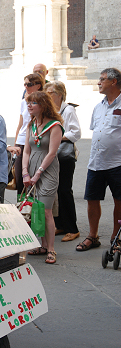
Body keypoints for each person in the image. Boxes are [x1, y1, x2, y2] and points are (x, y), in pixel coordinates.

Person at [77, 68, 121, 251]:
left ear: (114, 82)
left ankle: (117, 237)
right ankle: (92, 236)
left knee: (119, 201)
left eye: (102, 79)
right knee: (92, 199)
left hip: (117, 162)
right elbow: (97, 131)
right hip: (96, 161)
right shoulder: (98, 106)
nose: (98, 82)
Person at [23, 91, 64, 264]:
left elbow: (52, 152)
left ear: (43, 105)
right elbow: (26, 150)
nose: (29, 105)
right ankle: (43, 245)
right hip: (32, 169)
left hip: (47, 171)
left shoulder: (55, 126)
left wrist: (39, 172)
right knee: (37, 208)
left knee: (46, 210)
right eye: (28, 102)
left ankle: (52, 249)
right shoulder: (31, 124)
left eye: (33, 103)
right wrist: (25, 172)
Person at [44, 81, 81, 242]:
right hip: (52, 155)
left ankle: (72, 228)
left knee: (65, 190)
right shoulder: (50, 111)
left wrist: (58, 137)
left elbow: (76, 132)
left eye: (51, 92)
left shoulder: (68, 109)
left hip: (64, 156)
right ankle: (60, 225)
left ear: (60, 94)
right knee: (55, 191)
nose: (48, 95)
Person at [8, 73, 45, 194]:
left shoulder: (43, 102)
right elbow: (20, 124)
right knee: (19, 176)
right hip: (21, 141)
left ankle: (33, 207)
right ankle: (21, 207)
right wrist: (15, 144)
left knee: (33, 174)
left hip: (34, 140)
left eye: (29, 84)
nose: (26, 87)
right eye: (25, 84)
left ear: (38, 85)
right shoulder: (23, 102)